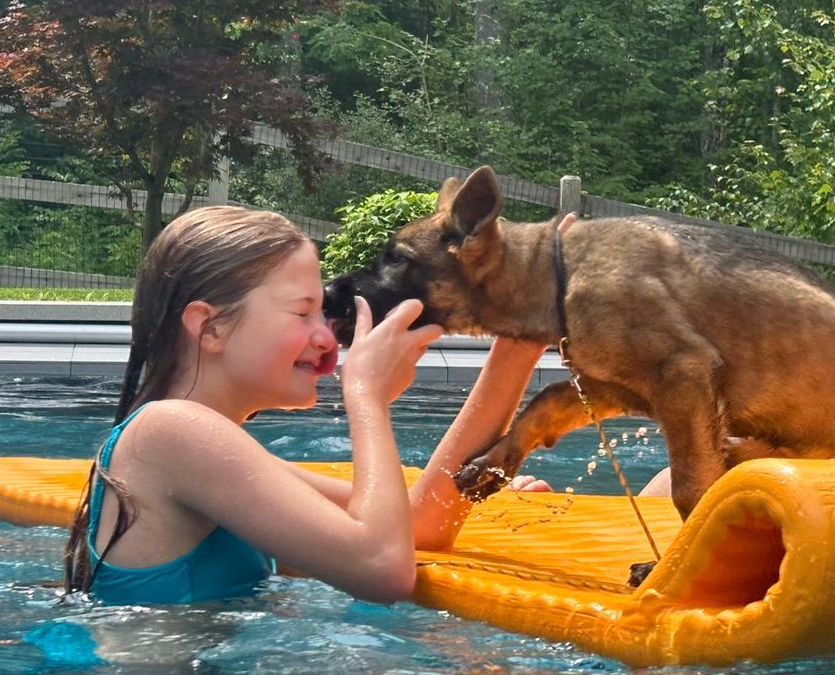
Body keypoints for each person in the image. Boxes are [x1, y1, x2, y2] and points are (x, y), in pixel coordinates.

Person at [62, 204, 553, 606]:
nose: (326, 336)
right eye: (302, 312)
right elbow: (383, 570)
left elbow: (420, 527)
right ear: (209, 328)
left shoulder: (193, 441)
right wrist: (366, 397)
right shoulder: (171, 431)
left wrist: (518, 347)